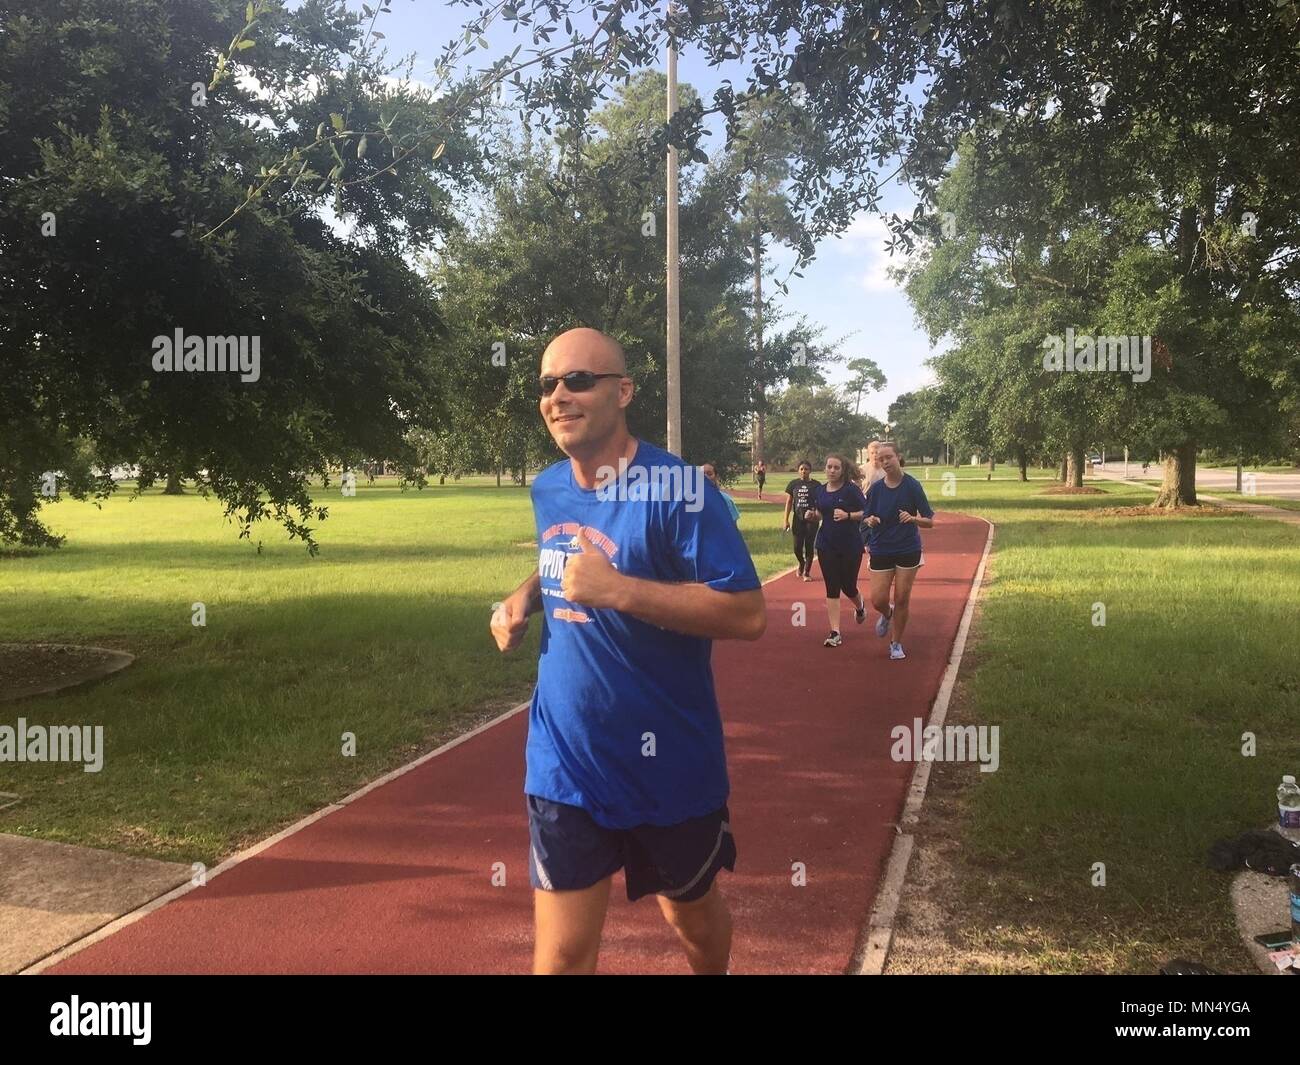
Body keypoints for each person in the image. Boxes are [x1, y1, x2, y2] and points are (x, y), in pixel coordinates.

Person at [490, 327, 766, 975]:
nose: (559, 395)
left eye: (578, 380)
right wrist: (523, 597)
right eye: (547, 384)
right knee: (559, 957)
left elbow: (747, 612)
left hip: (668, 762)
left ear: (623, 390)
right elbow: (559, 553)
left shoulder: (681, 492)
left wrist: (620, 591)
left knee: (691, 918)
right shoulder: (547, 488)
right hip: (565, 758)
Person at [862, 441, 935, 661]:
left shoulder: (911, 485)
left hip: (907, 548)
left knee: (902, 597)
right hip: (881, 547)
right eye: (881, 459)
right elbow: (866, 517)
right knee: (878, 599)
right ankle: (887, 613)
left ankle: (896, 644)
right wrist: (871, 520)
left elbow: (929, 520)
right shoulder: (876, 489)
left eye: (888, 457)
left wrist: (913, 519)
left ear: (898, 457)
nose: (885, 462)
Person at [808, 454, 868, 647]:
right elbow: (820, 513)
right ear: (825, 469)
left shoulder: (851, 490)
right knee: (832, 586)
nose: (832, 471)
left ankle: (860, 606)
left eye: (836, 468)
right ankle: (835, 632)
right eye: (829, 467)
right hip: (826, 543)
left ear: (843, 470)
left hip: (850, 544)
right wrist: (812, 515)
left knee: (848, 586)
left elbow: (867, 513)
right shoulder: (820, 491)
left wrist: (848, 515)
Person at [782, 460, 822, 581]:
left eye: (806, 469)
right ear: (798, 470)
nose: (804, 471)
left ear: (810, 471)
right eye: (801, 469)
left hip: (812, 520)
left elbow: (821, 502)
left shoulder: (816, 485)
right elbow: (789, 502)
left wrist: (816, 513)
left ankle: (807, 573)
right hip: (798, 519)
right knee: (797, 547)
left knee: (809, 545)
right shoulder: (793, 484)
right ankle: (801, 562)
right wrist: (785, 520)